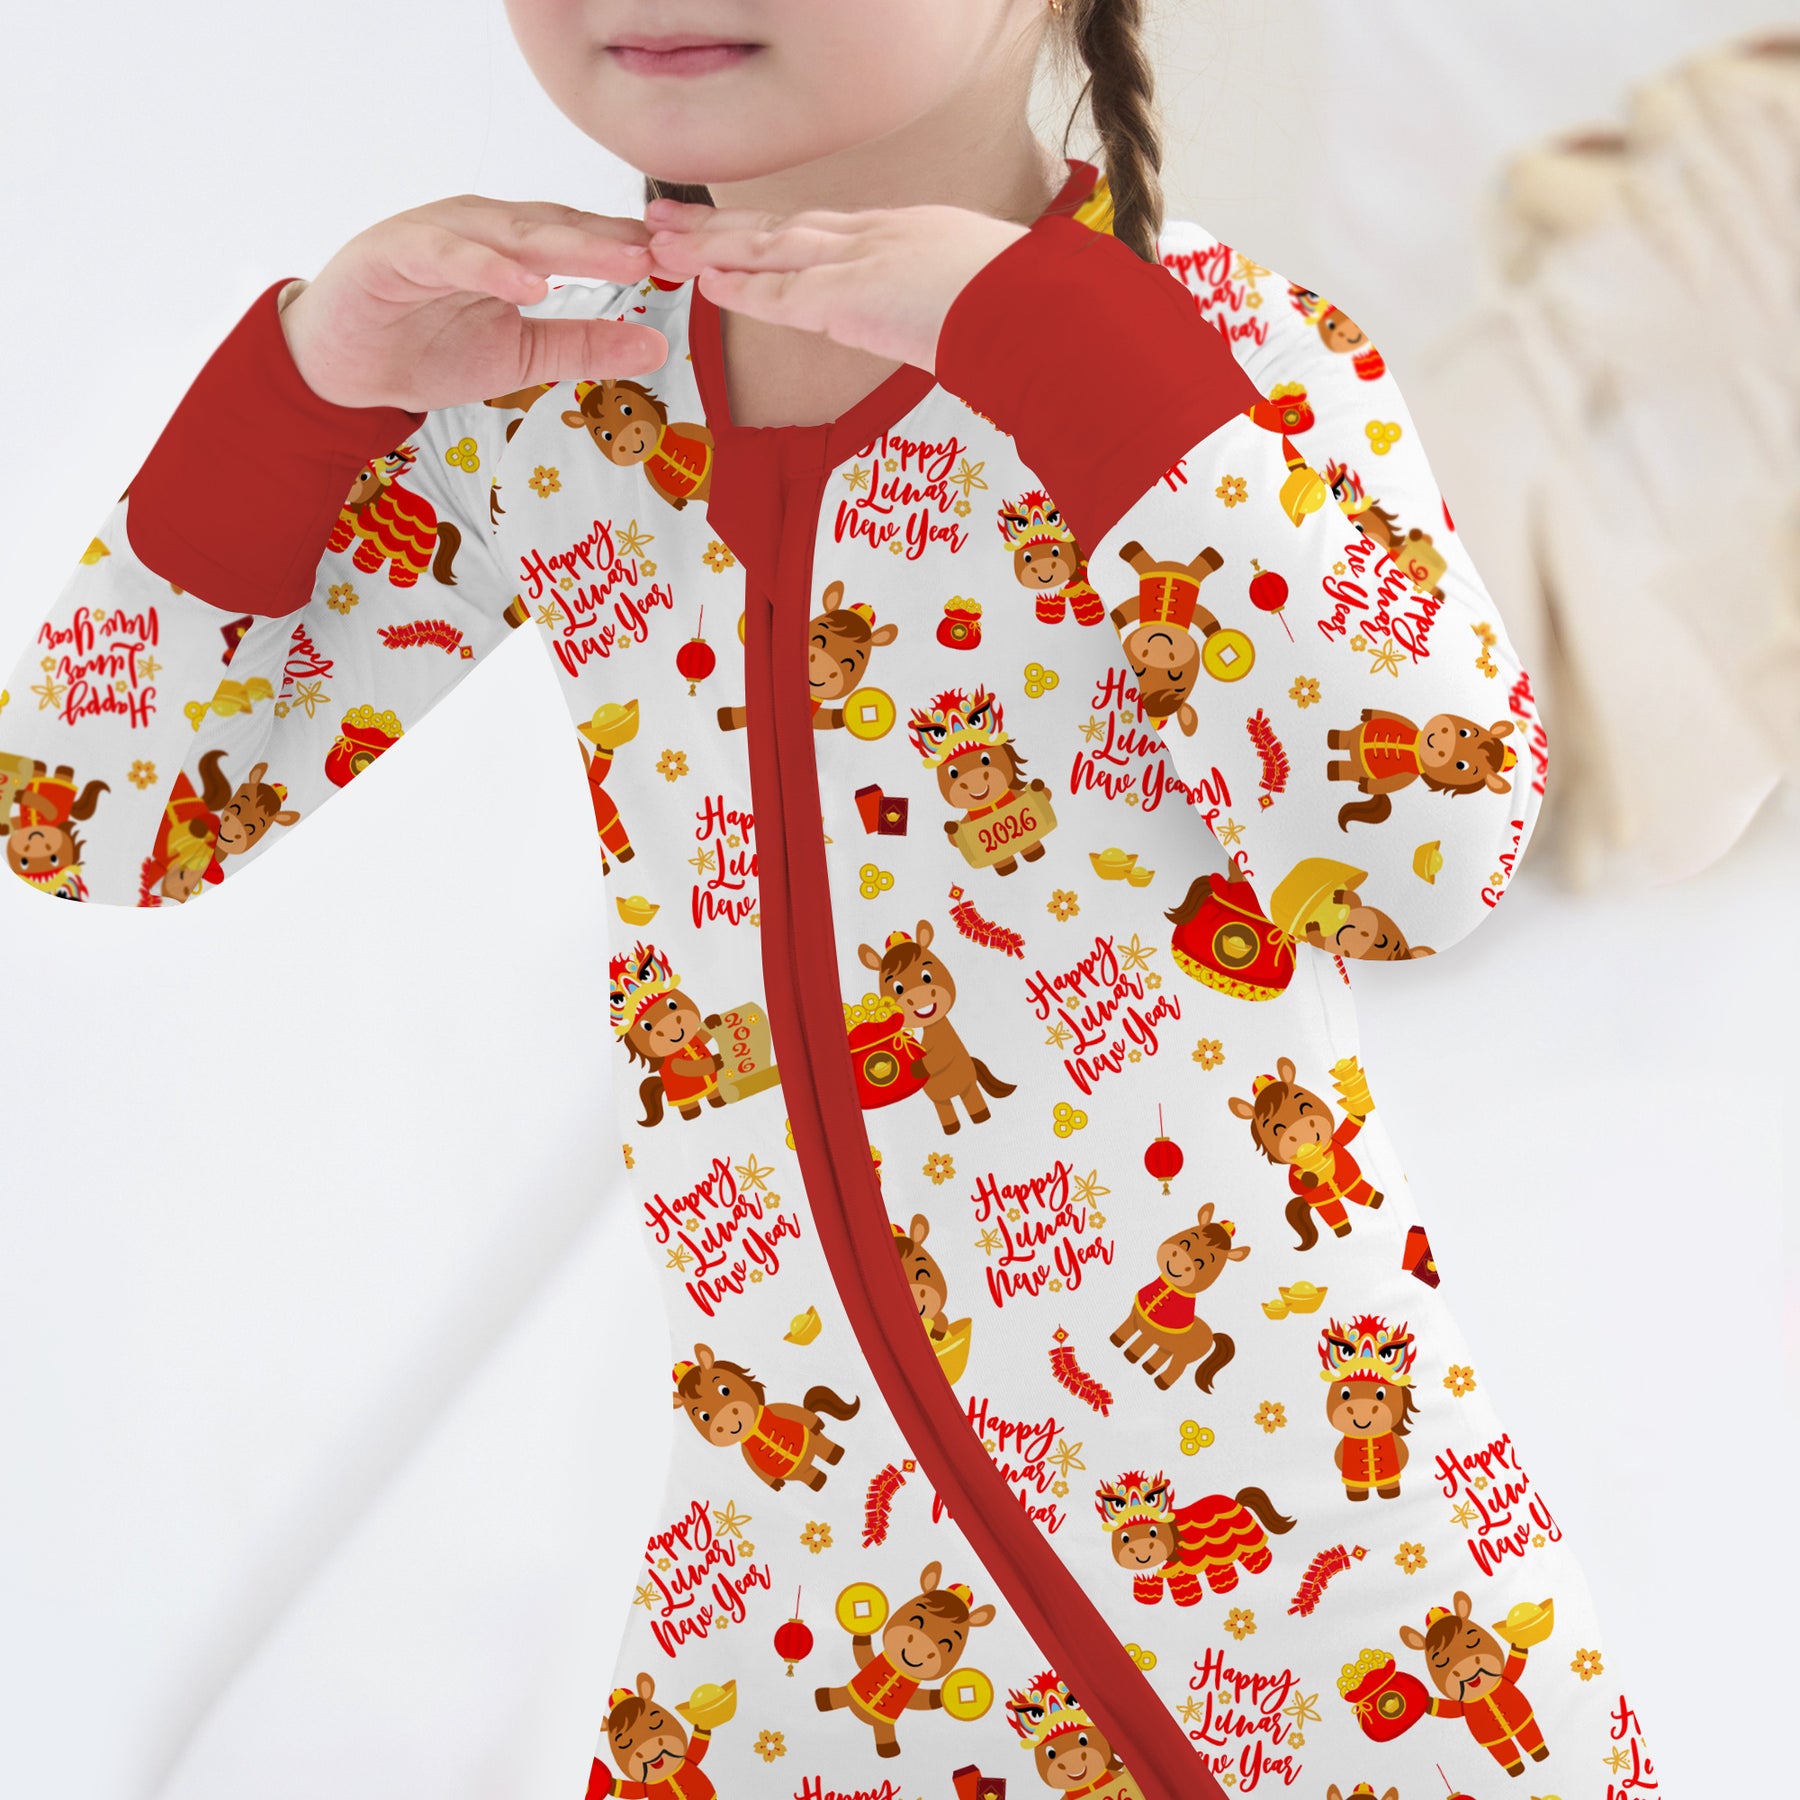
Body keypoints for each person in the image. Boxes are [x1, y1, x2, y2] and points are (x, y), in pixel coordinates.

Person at [0, 5, 1657, 1798]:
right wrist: (304, 385)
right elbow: (91, 814)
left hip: (1313, 1583)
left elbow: (1426, 854)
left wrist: (1064, 348)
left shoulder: (1216, 357)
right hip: (802, 1600)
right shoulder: (554, 403)